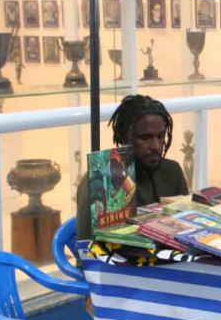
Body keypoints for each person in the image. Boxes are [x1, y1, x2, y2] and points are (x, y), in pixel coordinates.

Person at [76, 95, 188, 241]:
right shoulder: (101, 180)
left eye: (160, 136)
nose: (156, 146)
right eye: (145, 138)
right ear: (124, 137)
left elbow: (187, 227)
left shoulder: (172, 171)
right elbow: (85, 249)